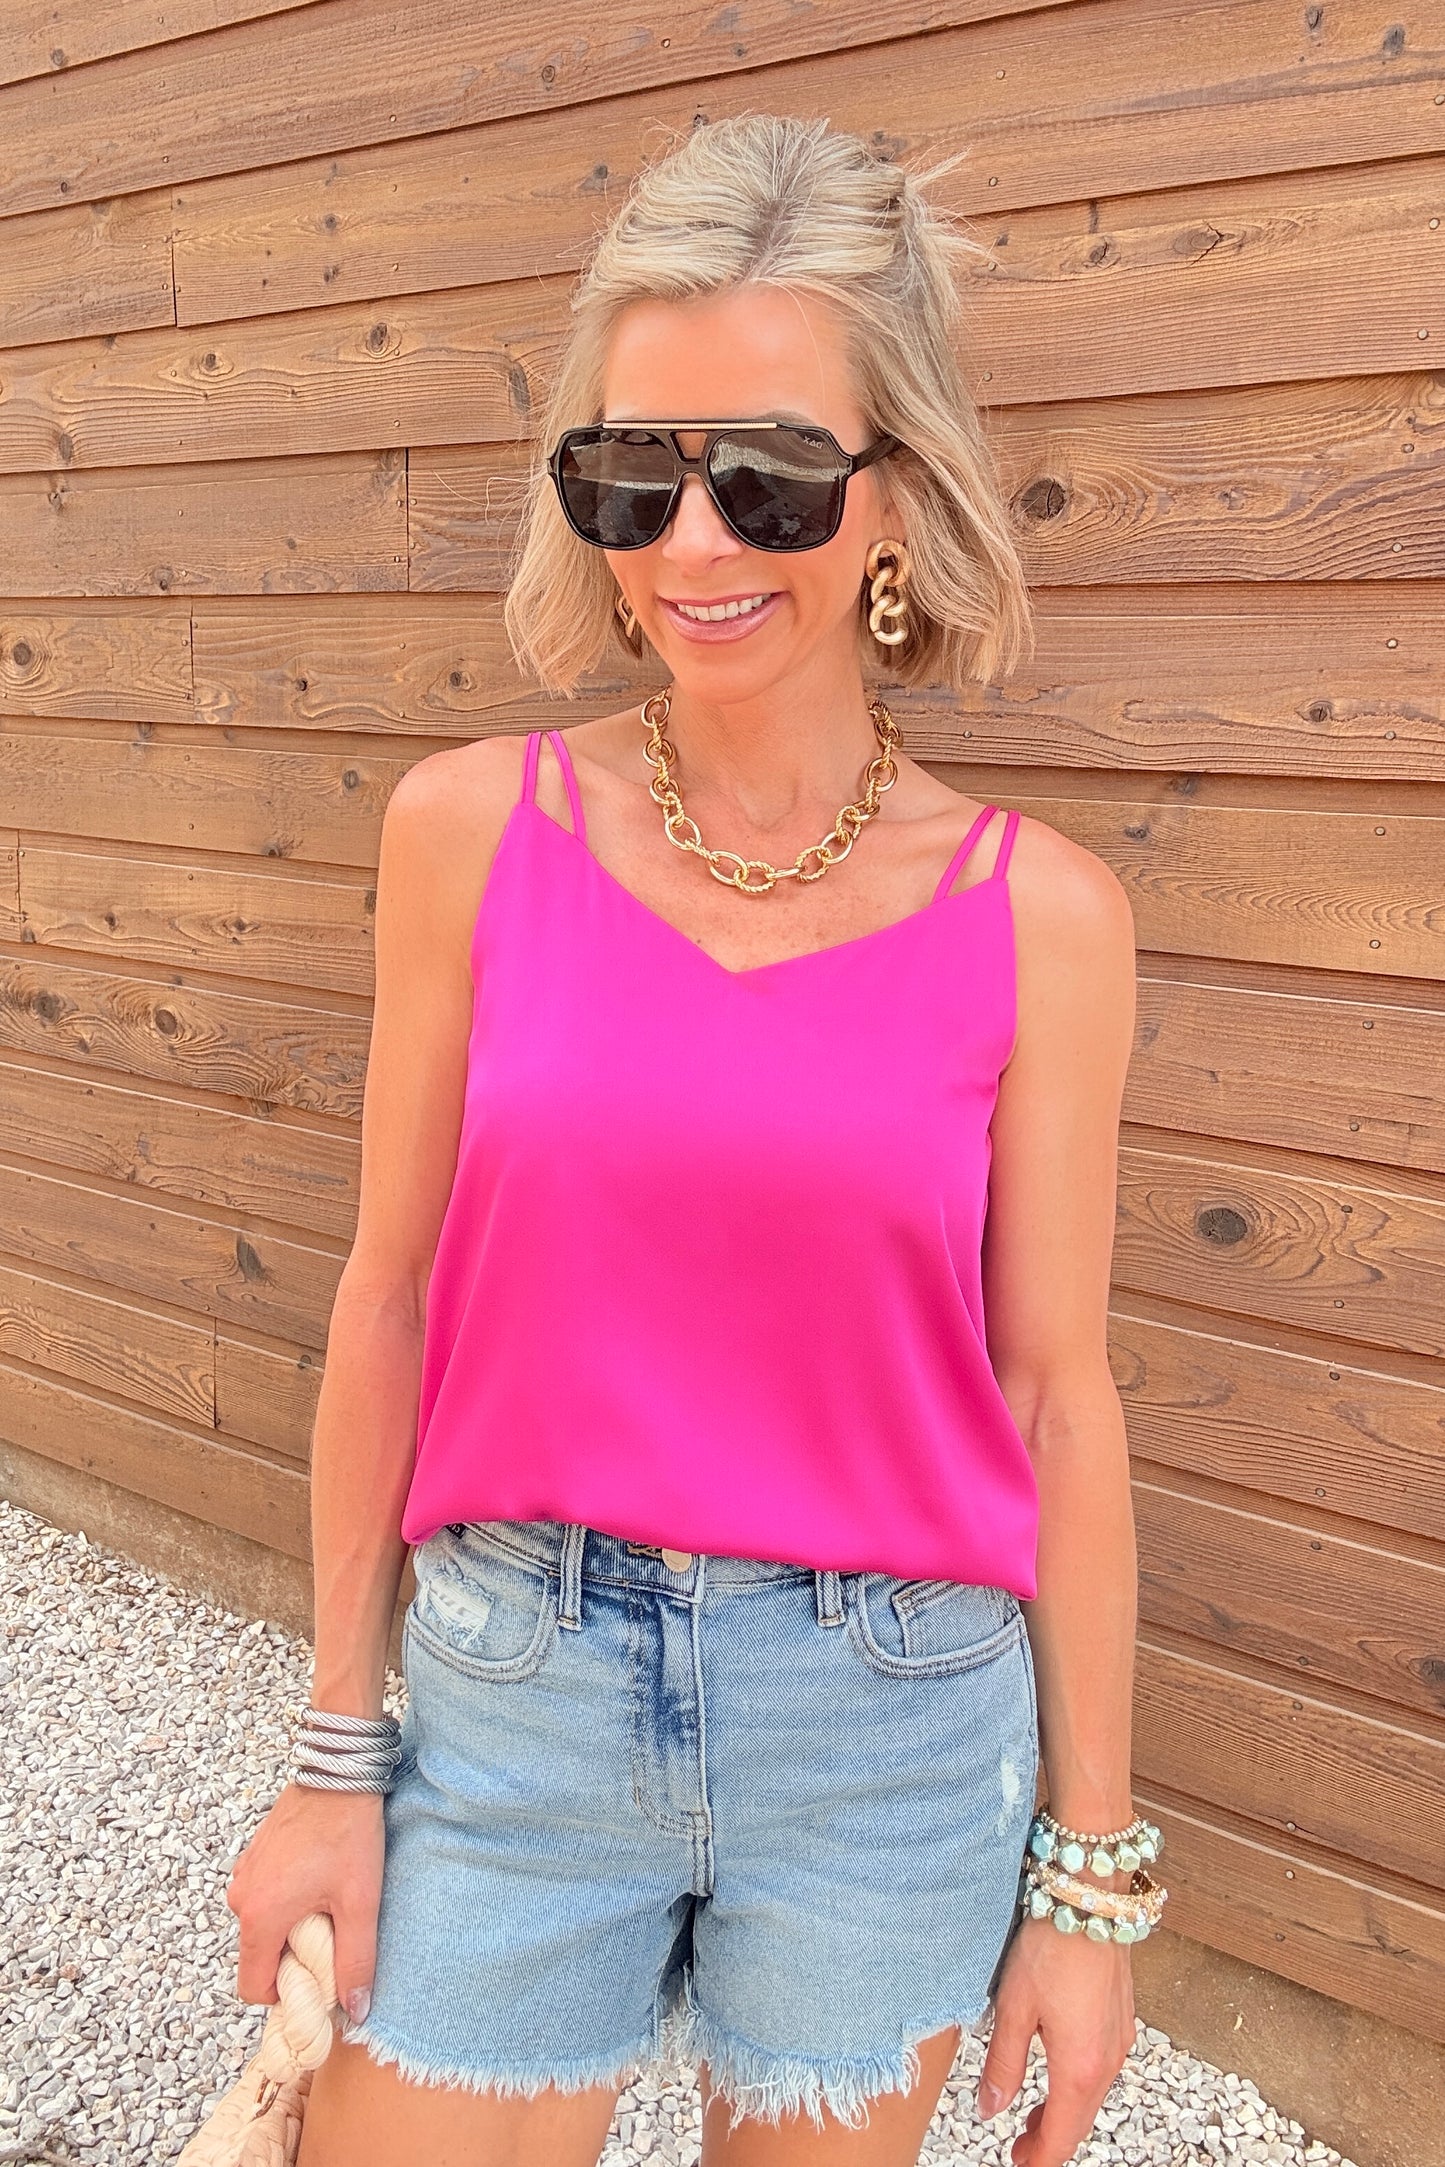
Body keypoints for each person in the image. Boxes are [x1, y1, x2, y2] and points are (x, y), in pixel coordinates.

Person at [227, 112, 1147, 2167]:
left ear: (897, 496)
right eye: (633, 477)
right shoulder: (468, 835)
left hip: (887, 1734)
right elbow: (388, 1299)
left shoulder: (1045, 920)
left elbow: (1055, 1402)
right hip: (517, 1688)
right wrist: (334, 1756)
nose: (697, 548)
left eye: (772, 478)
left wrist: (1090, 1880)